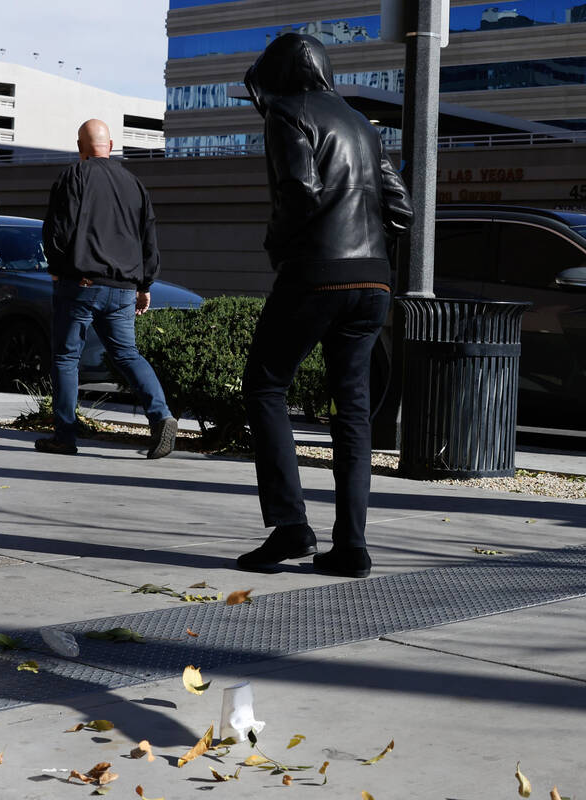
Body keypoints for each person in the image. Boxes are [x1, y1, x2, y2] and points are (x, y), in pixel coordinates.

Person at [234, 34, 412, 577]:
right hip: (373, 280)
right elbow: (401, 209)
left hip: (316, 273)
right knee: (352, 411)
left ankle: (290, 527)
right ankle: (352, 547)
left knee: (264, 383)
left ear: (279, 77)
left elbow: (301, 192)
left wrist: (276, 245)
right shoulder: (362, 124)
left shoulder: (287, 113)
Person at [37, 119, 178, 458]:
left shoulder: (74, 176)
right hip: (124, 288)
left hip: (82, 285)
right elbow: (148, 237)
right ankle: (161, 416)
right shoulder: (134, 183)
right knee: (128, 354)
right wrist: (145, 284)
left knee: (67, 358)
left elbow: (58, 230)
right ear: (110, 146)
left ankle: (65, 436)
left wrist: (58, 270)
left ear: (79, 147)